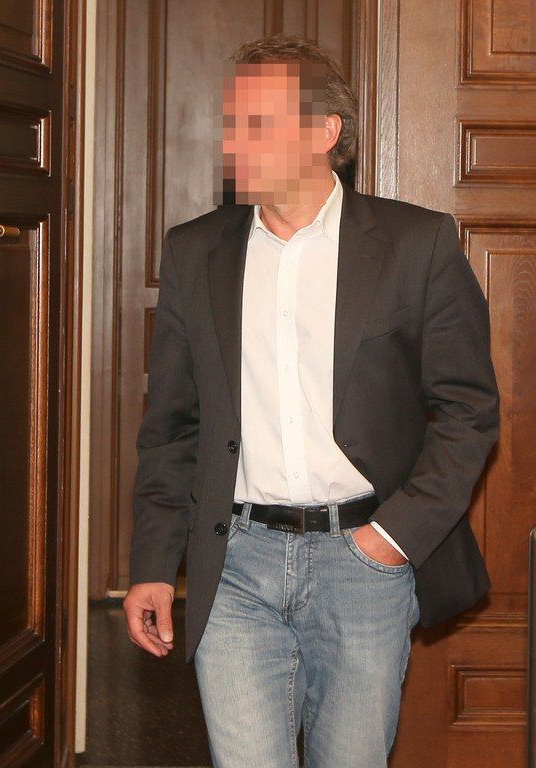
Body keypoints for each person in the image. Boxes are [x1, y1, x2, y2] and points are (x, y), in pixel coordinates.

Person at [123, 32, 500, 768]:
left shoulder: (415, 244)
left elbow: (468, 411)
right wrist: (154, 562)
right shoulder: (195, 252)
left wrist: (391, 539)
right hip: (235, 565)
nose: (234, 140)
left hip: (363, 567)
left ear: (325, 132)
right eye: (233, 121)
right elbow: (172, 426)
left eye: (258, 122)